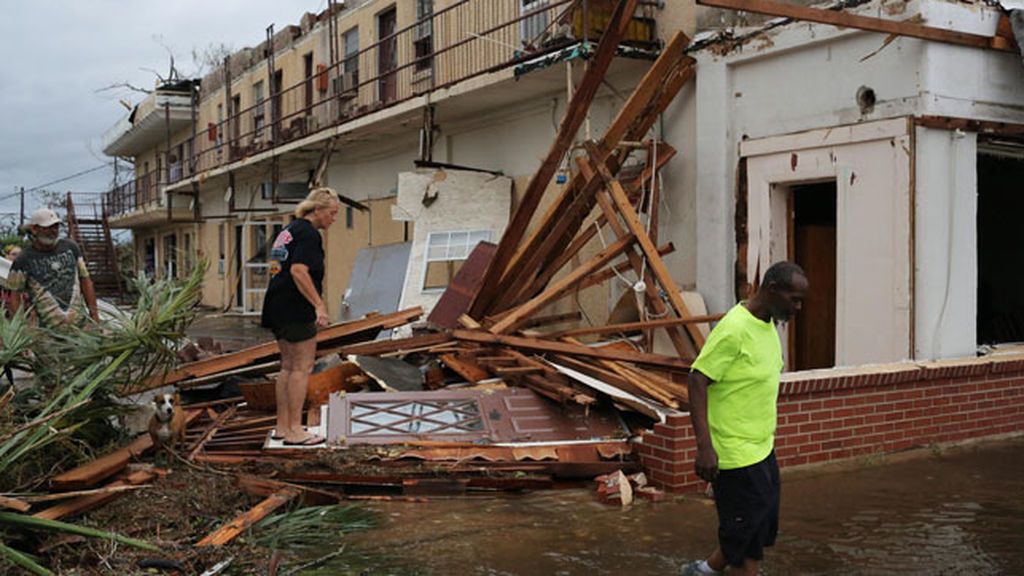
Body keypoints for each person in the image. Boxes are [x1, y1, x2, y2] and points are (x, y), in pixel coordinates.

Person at [682, 261, 808, 576]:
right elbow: (698, 379)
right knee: (744, 536)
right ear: (772, 290)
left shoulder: (768, 325)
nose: (798, 307)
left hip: (762, 449)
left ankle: (704, 571)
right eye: (793, 299)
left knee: (759, 525)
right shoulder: (734, 329)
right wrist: (704, 447)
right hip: (734, 454)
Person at [260, 187, 340, 446]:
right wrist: (319, 305)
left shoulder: (290, 230)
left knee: (287, 367)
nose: (334, 219)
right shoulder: (308, 234)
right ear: (317, 210)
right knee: (302, 367)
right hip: (295, 308)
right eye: (332, 213)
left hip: (276, 304)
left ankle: (282, 427)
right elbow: (298, 271)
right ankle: (295, 429)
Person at [6, 208, 99, 328]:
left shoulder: (71, 248)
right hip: (47, 333)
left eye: (55, 227)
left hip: (80, 328)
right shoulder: (24, 259)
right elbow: (15, 294)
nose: (53, 231)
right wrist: (19, 326)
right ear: (34, 229)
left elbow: (85, 280)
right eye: (47, 228)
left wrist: (94, 315)